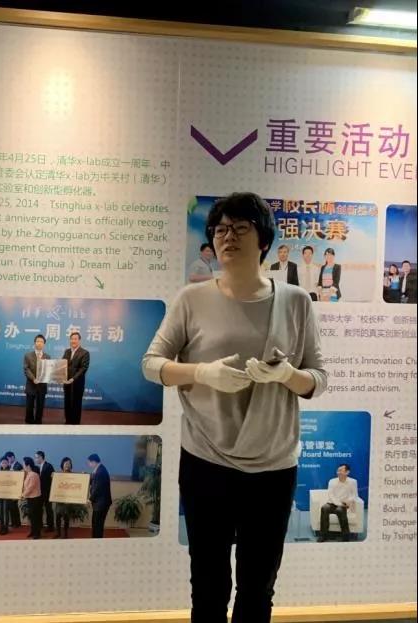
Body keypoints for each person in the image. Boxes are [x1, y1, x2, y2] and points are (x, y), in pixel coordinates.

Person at [142, 192, 327, 623]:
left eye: (241, 227)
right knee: (208, 587)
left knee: (258, 589)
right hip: (206, 461)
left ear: (264, 240)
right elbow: (151, 365)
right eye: (221, 229)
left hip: (273, 465)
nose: (228, 237)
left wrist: (287, 375)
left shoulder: (296, 301)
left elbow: (317, 379)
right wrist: (202, 373)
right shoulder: (191, 298)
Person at [318, 464, 358, 542]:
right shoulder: (332, 481)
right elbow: (331, 495)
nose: (338, 472)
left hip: (344, 504)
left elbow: (355, 495)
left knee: (340, 510)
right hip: (332, 503)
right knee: (324, 508)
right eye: (338, 471)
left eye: (340, 470)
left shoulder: (353, 482)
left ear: (347, 472)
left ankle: (345, 536)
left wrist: (348, 501)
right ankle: (323, 535)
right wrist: (339, 503)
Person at [62, 332, 90, 425]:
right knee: (67, 402)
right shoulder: (67, 351)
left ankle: (75, 424)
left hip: (77, 383)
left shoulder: (85, 353)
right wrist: (59, 375)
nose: (73, 341)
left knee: (76, 403)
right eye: (72, 339)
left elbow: (83, 368)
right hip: (67, 382)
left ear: (79, 340)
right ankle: (67, 421)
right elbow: (62, 364)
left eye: (75, 339)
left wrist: (73, 378)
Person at [23, 334, 50, 424]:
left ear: (44, 344)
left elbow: (48, 370)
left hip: (42, 385)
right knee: (29, 406)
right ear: (34, 343)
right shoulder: (28, 355)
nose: (39, 343)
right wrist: (33, 379)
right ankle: (29, 422)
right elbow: (26, 369)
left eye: (41, 342)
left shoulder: (47, 357)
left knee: (40, 406)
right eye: (37, 341)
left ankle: (38, 422)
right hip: (31, 384)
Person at [88, 454, 112, 539]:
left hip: (101, 504)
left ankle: (96, 541)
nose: (89, 465)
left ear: (94, 462)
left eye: (89, 462)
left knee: (97, 525)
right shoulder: (99, 469)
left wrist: (90, 499)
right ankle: (96, 540)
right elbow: (93, 480)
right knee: (96, 524)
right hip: (100, 503)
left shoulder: (100, 472)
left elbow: (97, 488)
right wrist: (84, 477)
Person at [53, 457, 75, 539]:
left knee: (66, 518)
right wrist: (53, 477)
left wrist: (83, 477)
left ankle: (65, 534)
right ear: (62, 464)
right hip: (59, 500)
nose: (67, 465)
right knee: (58, 517)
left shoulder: (74, 476)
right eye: (66, 463)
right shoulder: (58, 475)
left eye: (69, 463)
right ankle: (58, 533)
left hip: (68, 501)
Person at [21, 457, 43, 539]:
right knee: (32, 516)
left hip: (35, 499)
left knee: (35, 517)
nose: (23, 466)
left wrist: (23, 495)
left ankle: (37, 533)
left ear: (28, 465)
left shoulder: (33, 475)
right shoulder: (28, 474)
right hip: (30, 498)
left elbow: (30, 488)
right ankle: (33, 531)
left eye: (24, 465)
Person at [35, 450, 55, 532]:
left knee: (48, 510)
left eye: (36, 457)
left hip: (47, 492)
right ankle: (40, 525)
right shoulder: (38, 467)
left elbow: (53, 479)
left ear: (41, 457)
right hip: (40, 492)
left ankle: (50, 526)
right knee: (39, 509)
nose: (35, 459)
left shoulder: (48, 466)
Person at [4, 451, 23, 529]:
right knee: (11, 506)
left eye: (8, 458)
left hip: (16, 489)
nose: (7, 460)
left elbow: (17, 477)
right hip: (10, 490)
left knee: (14, 506)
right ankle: (14, 522)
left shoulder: (18, 465)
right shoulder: (9, 466)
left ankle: (17, 523)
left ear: (12, 457)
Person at [0, 456, 12, 535]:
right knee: (0, 511)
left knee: (5, 511)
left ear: (8, 463)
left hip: (7, 495)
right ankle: (1, 527)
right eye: (2, 463)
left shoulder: (11, 472)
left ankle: (6, 528)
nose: (4, 464)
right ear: (0, 463)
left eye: (5, 462)